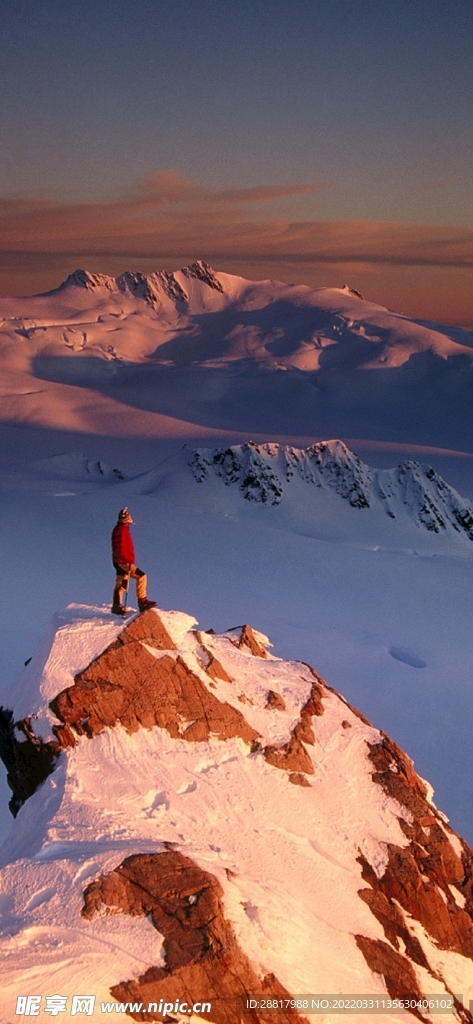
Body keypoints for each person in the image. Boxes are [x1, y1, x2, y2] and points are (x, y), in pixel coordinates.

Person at [111, 508, 156, 616]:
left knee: (121, 582)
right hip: (123, 561)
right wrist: (128, 559)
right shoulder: (122, 530)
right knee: (141, 576)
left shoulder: (119, 529)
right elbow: (122, 547)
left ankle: (117, 606)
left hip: (118, 560)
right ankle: (142, 602)